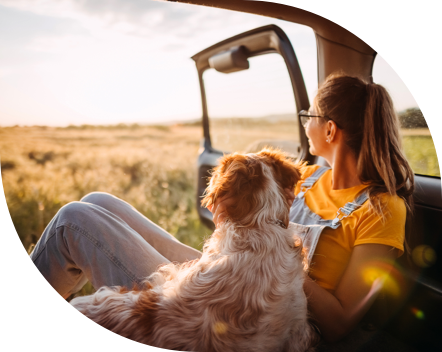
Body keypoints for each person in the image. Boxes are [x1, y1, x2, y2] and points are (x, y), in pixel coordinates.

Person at [29, 73, 413, 344]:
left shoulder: (383, 209)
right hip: (240, 279)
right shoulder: (307, 175)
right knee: (98, 201)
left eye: (309, 116)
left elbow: (341, 323)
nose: (305, 125)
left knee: (72, 222)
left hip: (265, 316)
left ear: (329, 130)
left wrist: (276, 260)